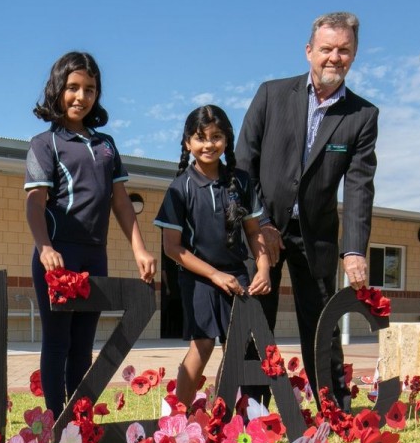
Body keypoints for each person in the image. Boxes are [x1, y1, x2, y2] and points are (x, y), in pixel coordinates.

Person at [236, 11, 379, 410]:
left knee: (322, 326)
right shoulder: (271, 94)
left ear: (354, 54)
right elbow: (244, 164)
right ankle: (252, 410)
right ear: (309, 52)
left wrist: (353, 249)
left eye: (344, 50)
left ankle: (333, 407)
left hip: (315, 236)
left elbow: (359, 186)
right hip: (262, 228)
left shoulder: (363, 116)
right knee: (255, 323)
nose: (335, 57)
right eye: (327, 49)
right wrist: (259, 222)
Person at [25, 52, 156, 419]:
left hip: (95, 257)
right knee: (57, 341)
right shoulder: (44, 144)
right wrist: (45, 247)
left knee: (83, 344)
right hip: (58, 256)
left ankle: (78, 420)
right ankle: (55, 421)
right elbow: (34, 205)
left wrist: (140, 249)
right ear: (57, 89)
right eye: (72, 88)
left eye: (89, 89)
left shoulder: (107, 145)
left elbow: (122, 203)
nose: (80, 97)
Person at [156, 105, 271, 409]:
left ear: (226, 140)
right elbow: (172, 248)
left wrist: (263, 268)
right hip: (199, 279)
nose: (209, 144)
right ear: (187, 144)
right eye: (200, 137)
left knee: (237, 349)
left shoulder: (242, 182)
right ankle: (177, 419)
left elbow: (254, 233)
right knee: (203, 344)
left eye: (216, 137)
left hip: (238, 276)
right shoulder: (180, 188)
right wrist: (214, 275)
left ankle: (220, 414)